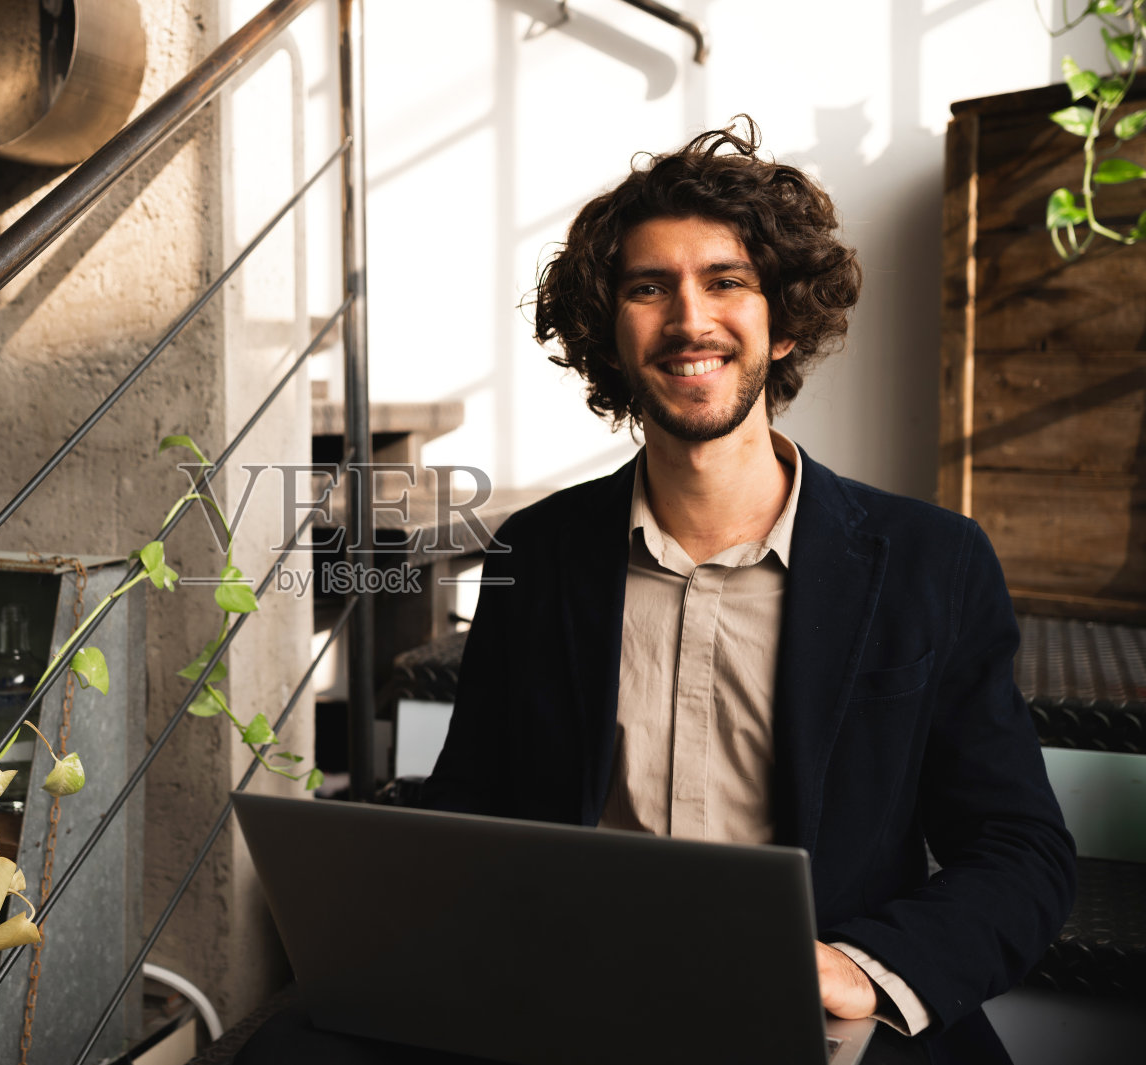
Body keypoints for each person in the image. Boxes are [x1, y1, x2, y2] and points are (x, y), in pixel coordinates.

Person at [419, 117, 1076, 1063]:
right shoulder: (540, 550)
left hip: (822, 1021)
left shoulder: (932, 561)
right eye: (648, 288)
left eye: (726, 281)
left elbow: (1019, 851)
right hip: (587, 1008)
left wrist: (857, 969)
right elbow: (469, 805)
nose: (690, 320)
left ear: (787, 319)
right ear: (610, 333)